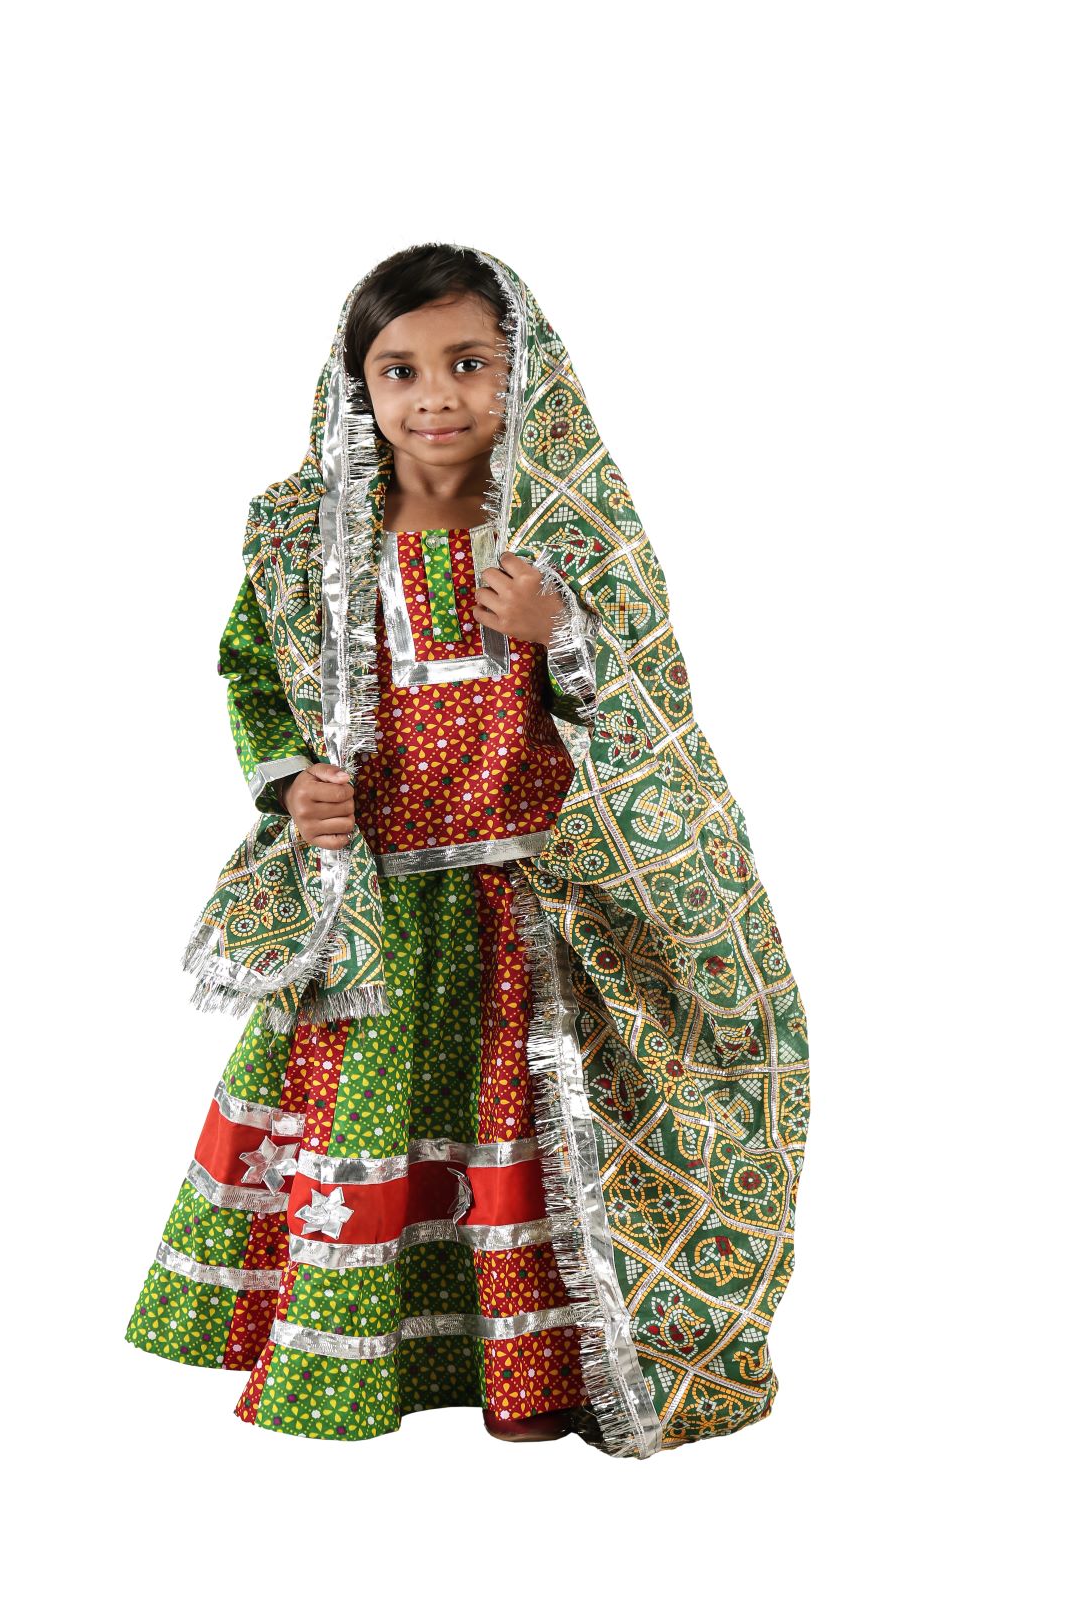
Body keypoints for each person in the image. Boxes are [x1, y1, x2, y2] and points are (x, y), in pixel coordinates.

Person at [124, 243, 810, 1460]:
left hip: (537, 900)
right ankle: (362, 1364)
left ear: (525, 374)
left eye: (469, 362)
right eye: (400, 369)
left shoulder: (569, 537)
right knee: (372, 1117)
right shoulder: (302, 541)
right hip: (386, 906)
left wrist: (564, 633)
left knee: (529, 1127)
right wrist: (297, 789)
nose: (435, 395)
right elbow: (252, 674)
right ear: (357, 388)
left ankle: (538, 1369)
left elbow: (651, 706)